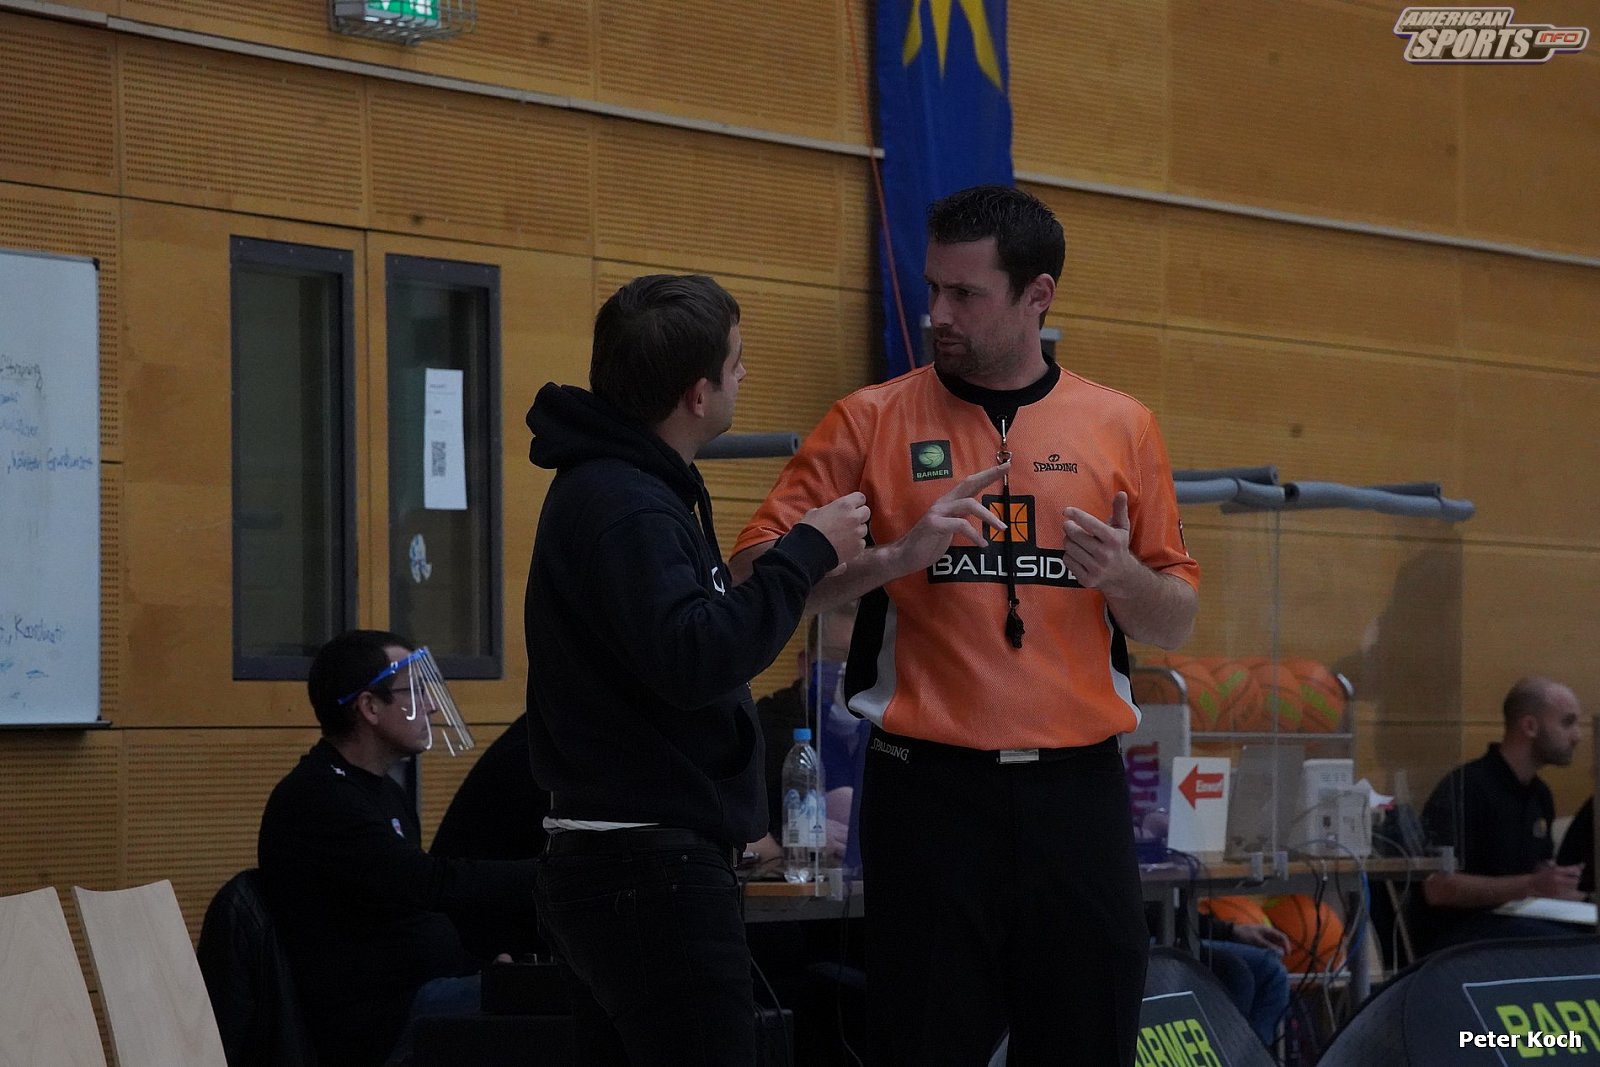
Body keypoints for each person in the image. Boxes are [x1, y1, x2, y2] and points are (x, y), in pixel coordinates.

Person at [731, 185, 1200, 1067]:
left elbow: (1175, 616)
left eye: (965, 294)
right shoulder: (869, 420)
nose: (937, 313)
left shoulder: (1122, 426)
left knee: (1088, 1039)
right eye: (933, 288)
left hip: (1077, 797)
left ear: (1037, 296)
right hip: (929, 795)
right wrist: (892, 557)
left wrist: (1124, 577)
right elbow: (754, 577)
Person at [522, 273, 869, 1065]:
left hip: (622, 864)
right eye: (737, 360)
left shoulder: (621, 489)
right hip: (649, 873)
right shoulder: (629, 507)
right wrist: (805, 550)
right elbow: (698, 654)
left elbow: (703, 629)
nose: (746, 373)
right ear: (697, 394)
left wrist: (877, 557)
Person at [258, 629, 539, 1067]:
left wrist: (482, 967)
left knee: (548, 989)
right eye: (414, 692)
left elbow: (407, 912)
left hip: (421, 992)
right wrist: (550, 873)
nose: (430, 705)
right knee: (567, 1008)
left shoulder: (380, 789)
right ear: (369, 707)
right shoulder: (319, 798)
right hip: (381, 1019)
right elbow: (425, 883)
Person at [1419, 676, 1586, 951]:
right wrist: (1533, 885)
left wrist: (1562, 882)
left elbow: (1536, 869)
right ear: (1530, 726)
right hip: (1460, 934)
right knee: (1571, 943)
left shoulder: (1540, 794)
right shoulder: (1467, 789)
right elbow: (1437, 887)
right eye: (1567, 723)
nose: (1578, 736)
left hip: (1516, 919)